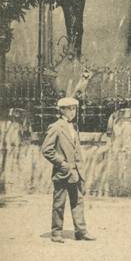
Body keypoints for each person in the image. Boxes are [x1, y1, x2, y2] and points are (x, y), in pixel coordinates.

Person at [40, 97, 95, 244]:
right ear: (62, 110)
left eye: (74, 108)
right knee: (59, 203)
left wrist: (79, 168)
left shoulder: (74, 127)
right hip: (62, 172)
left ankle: (81, 231)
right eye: (70, 108)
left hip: (75, 172)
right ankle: (56, 232)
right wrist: (62, 163)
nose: (73, 112)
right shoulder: (56, 127)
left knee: (78, 201)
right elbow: (46, 150)